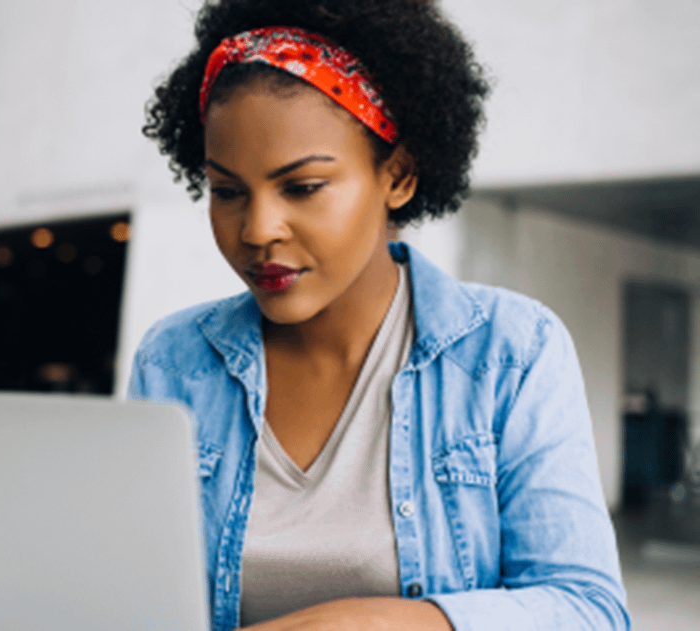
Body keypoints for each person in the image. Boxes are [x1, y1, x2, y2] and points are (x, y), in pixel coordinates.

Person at [130, 1, 629, 629]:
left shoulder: (511, 353)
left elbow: (588, 611)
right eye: (228, 192)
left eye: (303, 187)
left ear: (397, 177)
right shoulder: (174, 361)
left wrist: (372, 624)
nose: (258, 230)